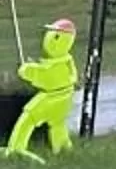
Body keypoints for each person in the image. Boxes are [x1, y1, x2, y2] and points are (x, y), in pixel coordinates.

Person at [6, 17, 79, 160]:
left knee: (28, 118)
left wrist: (28, 71)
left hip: (50, 99)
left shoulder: (57, 65)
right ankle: (62, 147)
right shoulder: (67, 62)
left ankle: (16, 147)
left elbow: (46, 78)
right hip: (64, 98)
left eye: (55, 35)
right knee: (57, 124)